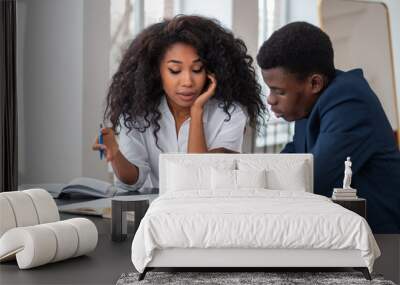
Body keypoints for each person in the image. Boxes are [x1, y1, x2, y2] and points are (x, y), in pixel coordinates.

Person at [92, 15, 265, 191]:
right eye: (175, 70)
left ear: (210, 71)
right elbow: (133, 182)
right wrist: (115, 155)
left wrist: (196, 112)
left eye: (197, 69)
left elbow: (200, 177)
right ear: (156, 71)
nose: (188, 81)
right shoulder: (137, 114)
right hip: (155, 212)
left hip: (206, 211)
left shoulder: (230, 114)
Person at [256, 21, 400, 233]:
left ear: (314, 83)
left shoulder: (349, 100)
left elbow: (315, 178)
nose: (270, 100)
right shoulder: (309, 104)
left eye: (279, 91)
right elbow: (291, 160)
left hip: (383, 242)